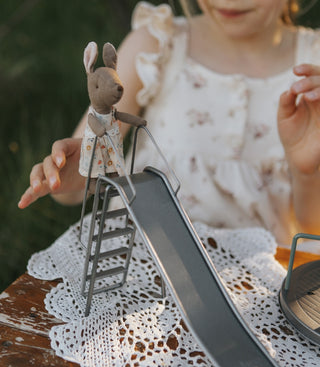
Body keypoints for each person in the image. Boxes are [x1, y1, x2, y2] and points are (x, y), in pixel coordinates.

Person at [18, 0, 320, 247]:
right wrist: (75, 174)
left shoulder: (313, 72)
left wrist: (307, 171)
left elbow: (311, 233)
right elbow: (75, 185)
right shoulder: (157, 44)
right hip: (142, 265)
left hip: (255, 286)